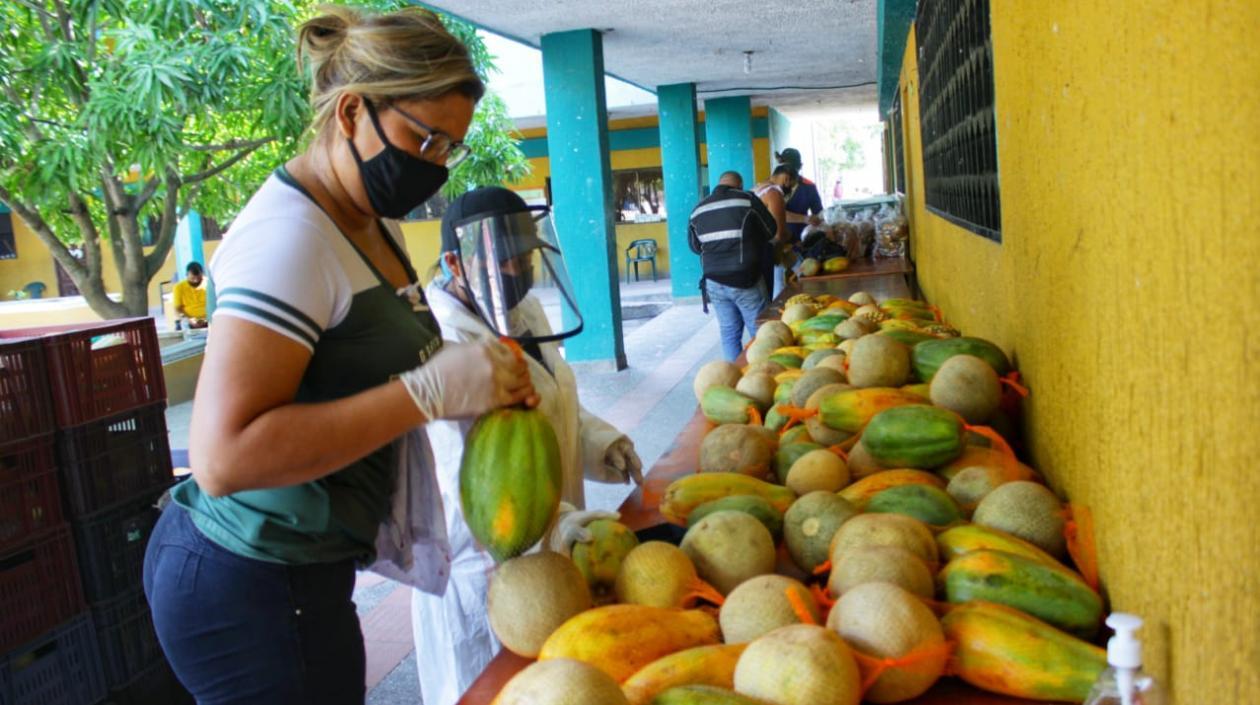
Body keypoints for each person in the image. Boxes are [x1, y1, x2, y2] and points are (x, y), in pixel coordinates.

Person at [142, 7, 536, 704]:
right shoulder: (289, 238)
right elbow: (223, 457)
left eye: (451, 147)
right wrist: (424, 394)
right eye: (424, 137)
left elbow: (362, 359)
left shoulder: (361, 216)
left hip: (309, 566)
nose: (435, 164)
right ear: (353, 110)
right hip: (248, 574)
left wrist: (478, 381)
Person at [412, 186, 643, 705]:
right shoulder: (439, 344)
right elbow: (467, 477)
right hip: (484, 568)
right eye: (509, 261)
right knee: (494, 689)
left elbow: (553, 398)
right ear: (456, 261)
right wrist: (559, 520)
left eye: (527, 257)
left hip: (549, 557)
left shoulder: (523, 314)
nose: (522, 271)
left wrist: (600, 442)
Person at [689, 171, 777, 361]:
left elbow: (695, 247)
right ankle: (762, 376)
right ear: (740, 184)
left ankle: (736, 379)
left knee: (729, 333)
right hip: (746, 279)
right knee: (760, 332)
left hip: (713, 281)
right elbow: (770, 230)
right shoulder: (747, 200)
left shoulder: (698, 209)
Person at [753, 165, 797, 296]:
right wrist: (792, 240)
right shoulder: (774, 193)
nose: (790, 189)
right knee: (778, 295)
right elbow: (779, 233)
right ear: (786, 179)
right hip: (767, 251)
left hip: (752, 252)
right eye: (792, 185)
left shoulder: (757, 188)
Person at [776, 148, 825, 239]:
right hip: (778, 238)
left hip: (801, 238)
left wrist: (818, 220)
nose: (789, 174)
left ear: (799, 167)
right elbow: (775, 213)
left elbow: (819, 213)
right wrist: (804, 218)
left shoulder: (809, 187)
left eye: (792, 169)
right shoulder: (772, 188)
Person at [172, 261, 208, 329]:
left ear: (202, 275)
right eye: (193, 278)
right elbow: (177, 309)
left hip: (208, 320)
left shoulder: (208, 284)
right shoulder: (179, 287)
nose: (196, 281)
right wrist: (188, 320)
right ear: (187, 275)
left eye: (198, 278)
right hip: (188, 321)